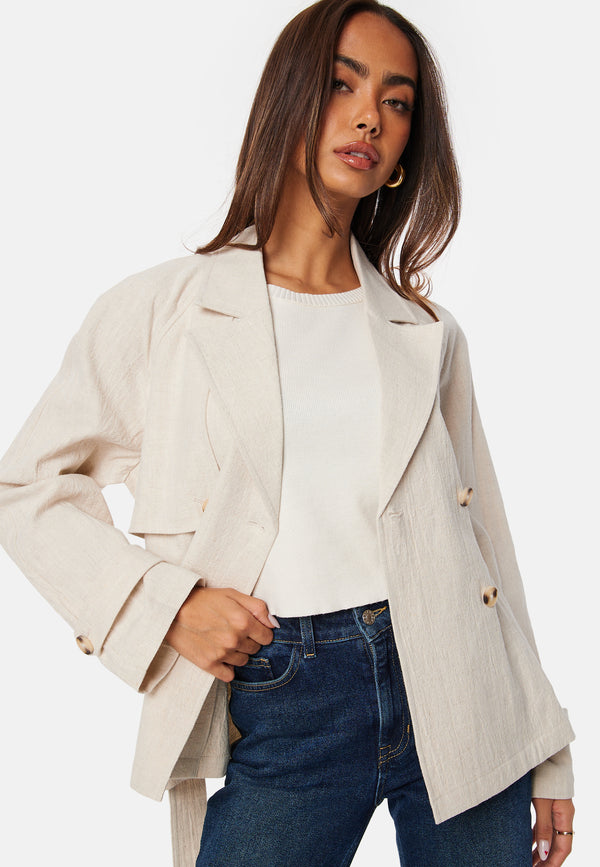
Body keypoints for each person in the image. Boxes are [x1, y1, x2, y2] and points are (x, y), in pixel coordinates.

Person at [0, 1, 576, 865]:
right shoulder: (165, 310)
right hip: (286, 694)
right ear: (287, 101)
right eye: (342, 85)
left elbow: (486, 543)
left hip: (460, 689)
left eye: (396, 101)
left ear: (405, 147)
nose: (368, 117)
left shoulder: (426, 333)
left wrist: (549, 750)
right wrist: (167, 607)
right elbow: (28, 487)